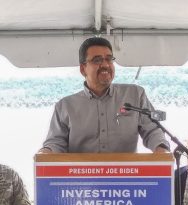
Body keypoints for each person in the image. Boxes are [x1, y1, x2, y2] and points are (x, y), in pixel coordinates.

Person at [38, 36, 169, 154]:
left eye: (109, 59)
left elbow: (153, 130)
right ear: (83, 69)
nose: (105, 65)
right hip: (82, 179)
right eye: (97, 60)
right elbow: (55, 143)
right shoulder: (65, 106)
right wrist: (46, 152)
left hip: (126, 178)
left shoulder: (135, 95)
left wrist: (161, 148)